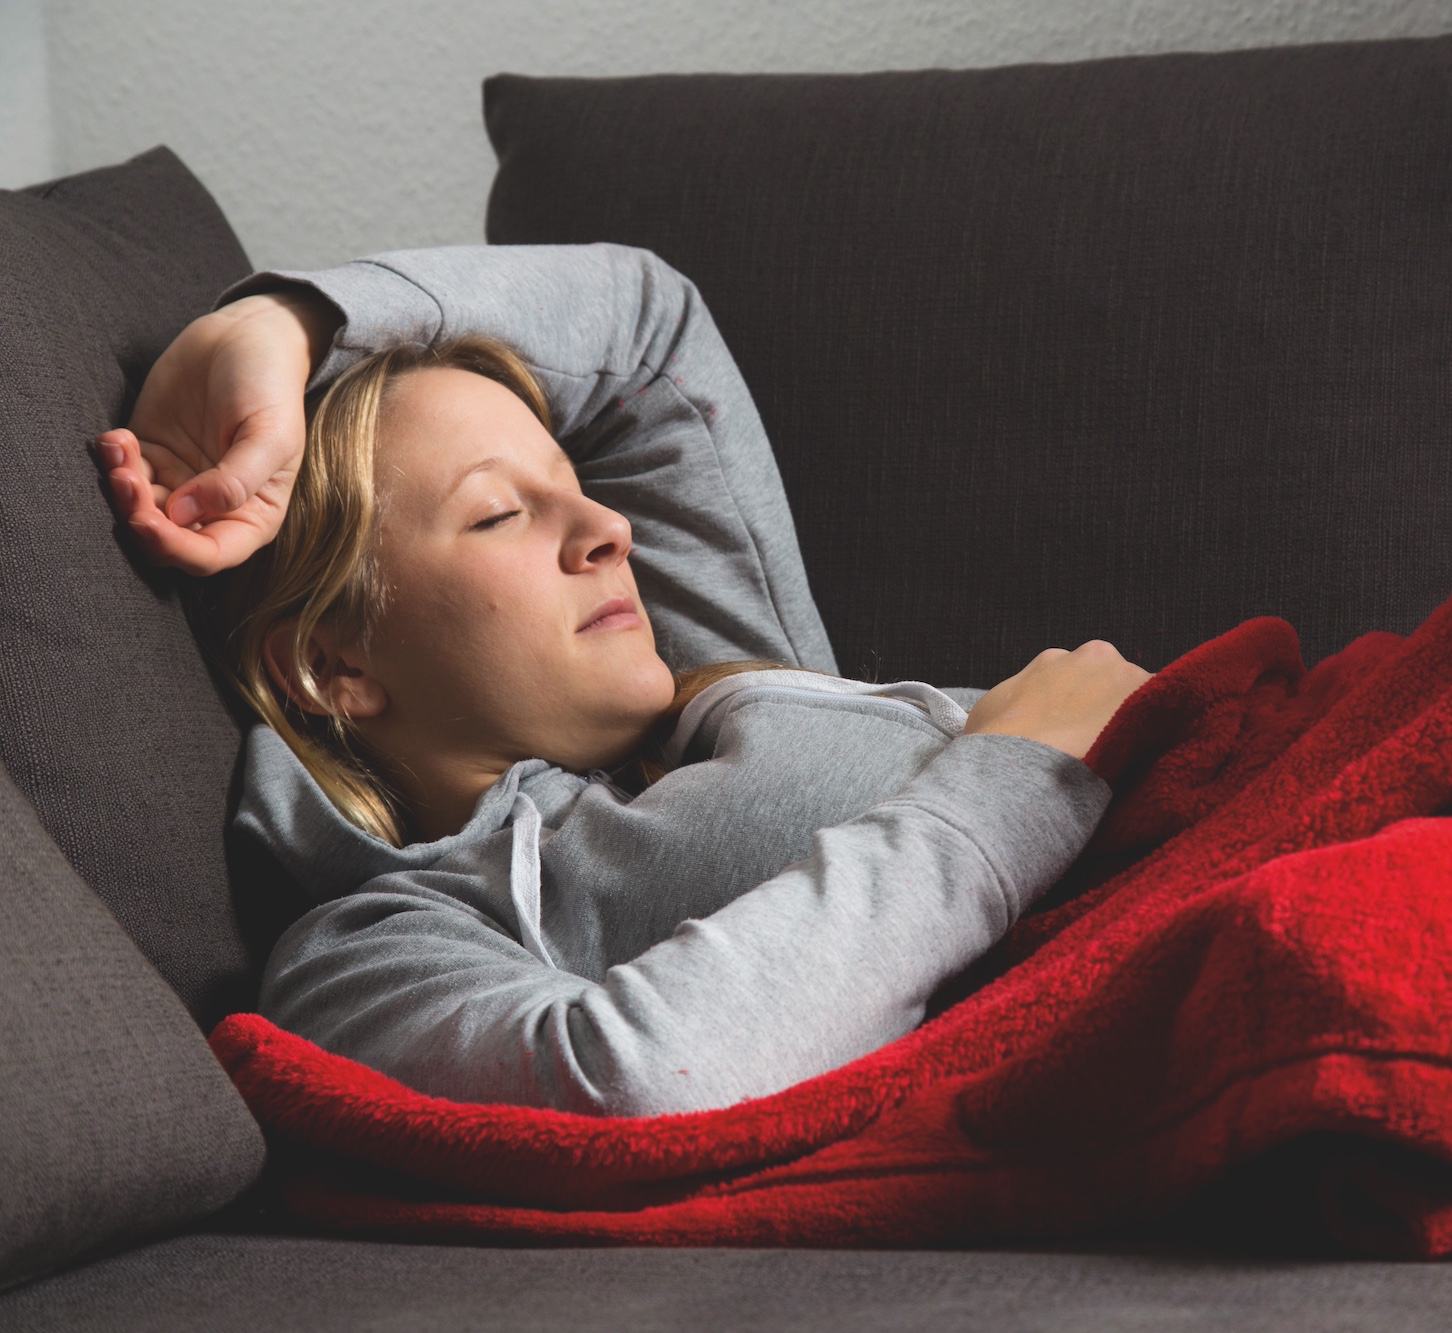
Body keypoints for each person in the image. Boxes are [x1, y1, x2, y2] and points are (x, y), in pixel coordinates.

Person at [95, 243, 1153, 1116]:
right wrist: (1018, 780)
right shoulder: (374, 950)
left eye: (576, 486)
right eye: (500, 513)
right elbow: (628, 1075)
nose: (609, 530)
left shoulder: (710, 669)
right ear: (336, 663)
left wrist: (288, 323)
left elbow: (650, 335)